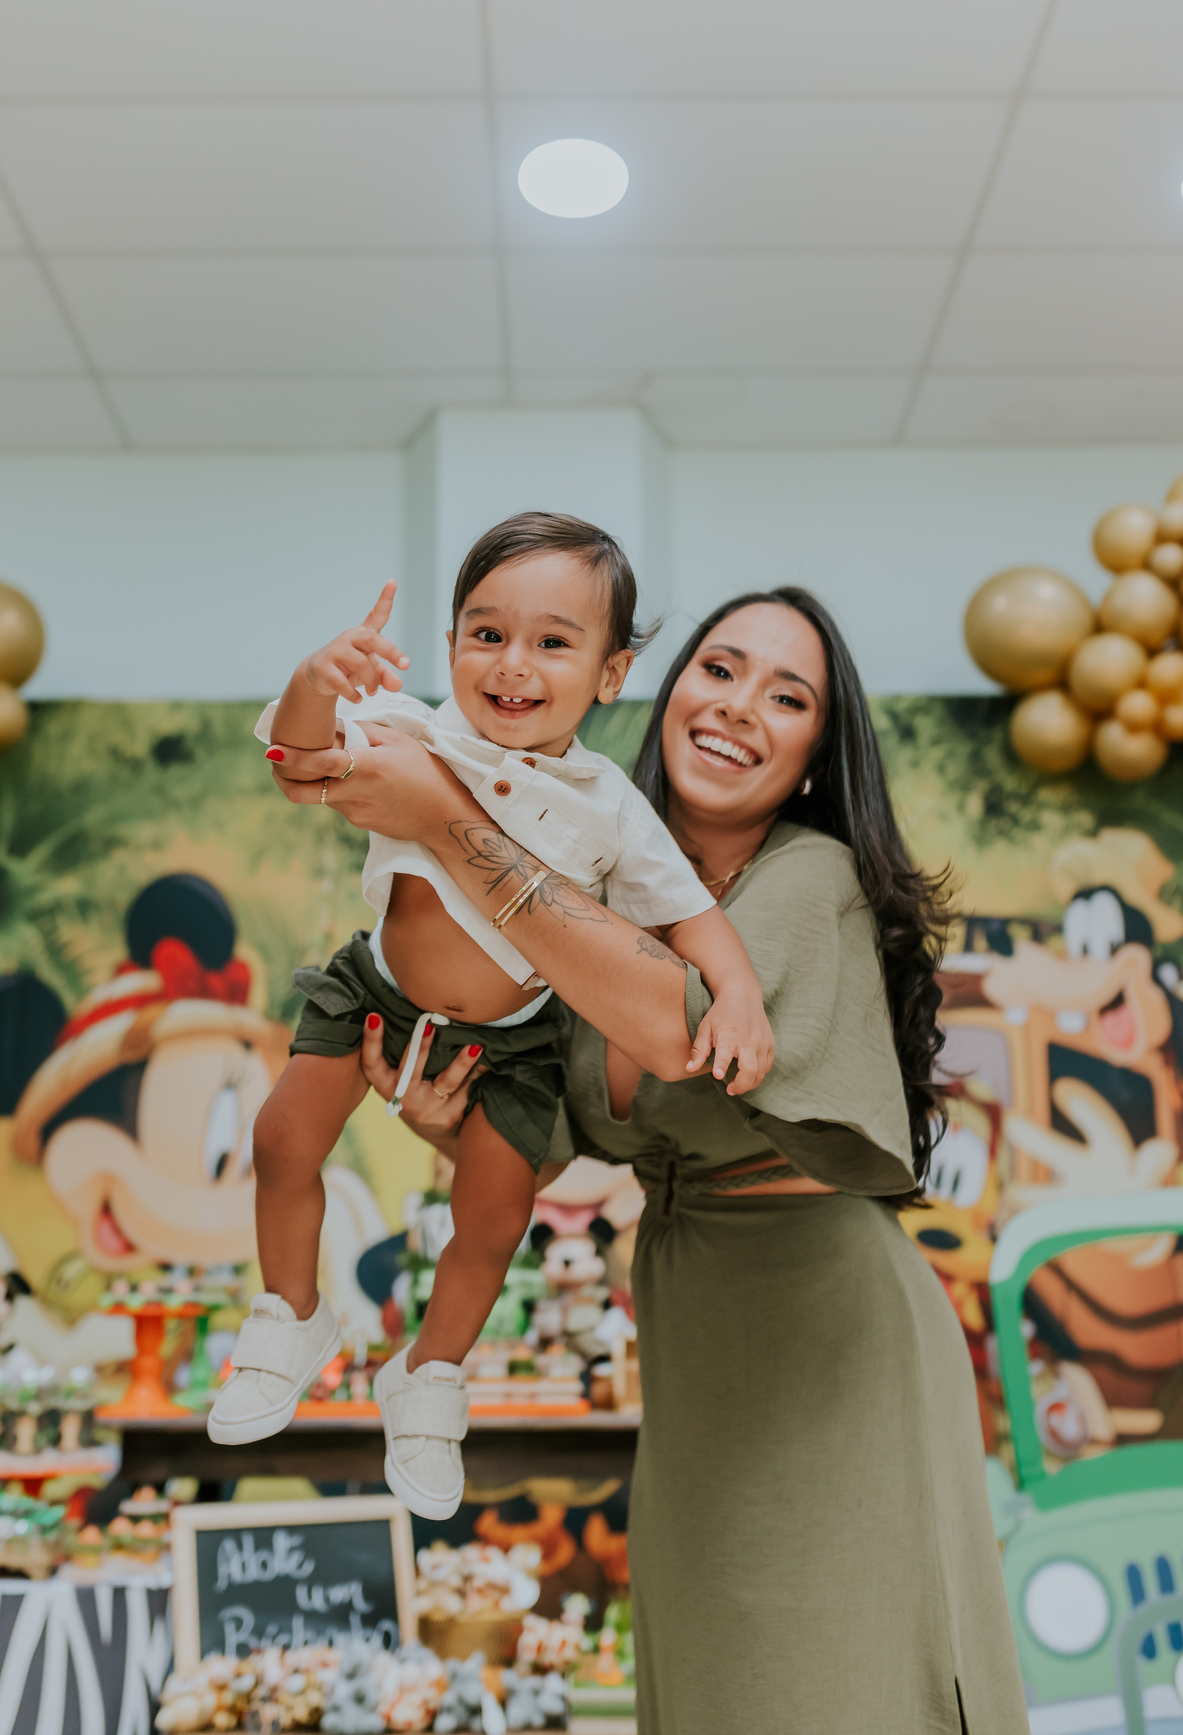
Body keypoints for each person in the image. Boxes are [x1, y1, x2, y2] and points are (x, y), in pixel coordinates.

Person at [268, 582, 1029, 1733]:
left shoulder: (807, 877)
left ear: (815, 754)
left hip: (831, 1325)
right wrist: (442, 1117)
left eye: (788, 697)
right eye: (719, 670)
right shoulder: (595, 878)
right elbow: (543, 1136)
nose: (739, 708)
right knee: (718, 1675)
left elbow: (681, 1032)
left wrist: (450, 822)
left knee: (841, 1680)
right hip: (690, 1319)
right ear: (666, 691)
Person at [210, 514, 773, 1527]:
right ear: (451, 644)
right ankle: (291, 1314)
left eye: (553, 642)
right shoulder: (414, 731)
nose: (513, 663)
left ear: (610, 674)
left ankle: (428, 1376)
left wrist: (736, 993)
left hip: (515, 1040)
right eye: (487, 633)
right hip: (376, 987)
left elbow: (690, 915)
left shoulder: (609, 804)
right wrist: (318, 677)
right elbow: (299, 751)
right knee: (280, 1138)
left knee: (493, 1219)